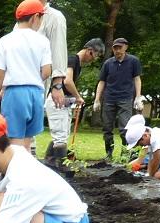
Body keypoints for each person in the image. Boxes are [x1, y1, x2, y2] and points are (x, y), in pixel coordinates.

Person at [0, 0, 52, 153]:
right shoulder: (43, 41)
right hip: (36, 94)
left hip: (14, 93)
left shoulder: (5, 40)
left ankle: (15, 174)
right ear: (35, 17)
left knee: (15, 143)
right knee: (27, 142)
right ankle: (27, 174)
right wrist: (33, 78)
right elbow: (47, 71)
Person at [43, 38, 105, 168]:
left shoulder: (77, 63)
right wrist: (78, 97)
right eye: (96, 55)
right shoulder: (72, 59)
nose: (94, 59)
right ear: (90, 51)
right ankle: (63, 167)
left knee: (63, 135)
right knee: (60, 137)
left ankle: (50, 163)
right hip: (56, 101)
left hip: (63, 102)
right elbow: (67, 81)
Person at [92, 38, 143, 162]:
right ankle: (108, 154)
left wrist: (138, 97)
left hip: (125, 99)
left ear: (126, 47)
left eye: (120, 47)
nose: (117, 50)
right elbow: (102, 82)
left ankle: (125, 153)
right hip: (109, 99)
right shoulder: (108, 63)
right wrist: (97, 100)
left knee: (125, 128)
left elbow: (137, 79)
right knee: (107, 128)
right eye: (115, 48)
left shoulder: (133, 61)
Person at [36, 0, 69, 150]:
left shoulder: (55, 17)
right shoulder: (23, 15)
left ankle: (57, 157)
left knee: (30, 122)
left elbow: (58, 50)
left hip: (39, 79)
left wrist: (57, 84)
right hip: (17, 79)